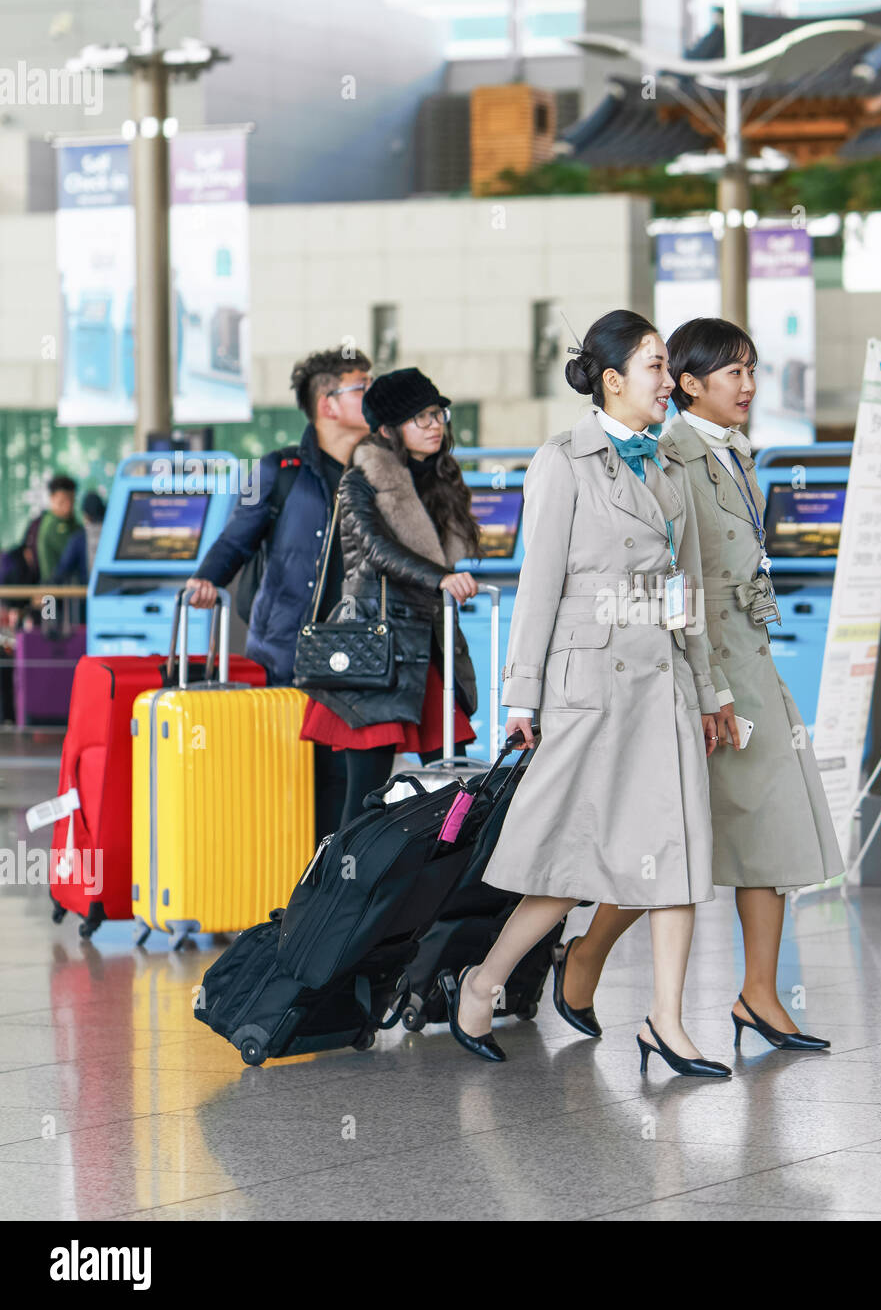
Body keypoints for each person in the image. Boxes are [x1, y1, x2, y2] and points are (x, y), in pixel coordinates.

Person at [439, 309, 732, 1078]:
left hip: (661, 683)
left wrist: (707, 691)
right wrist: (521, 696)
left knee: (677, 852)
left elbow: (687, 591)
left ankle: (666, 1020)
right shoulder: (562, 460)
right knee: (566, 861)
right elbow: (538, 587)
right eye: (656, 368)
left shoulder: (670, 468)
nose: (669, 383)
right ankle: (484, 982)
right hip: (588, 686)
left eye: (667, 368)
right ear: (612, 379)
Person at [551, 317, 844, 1052]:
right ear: (687, 382)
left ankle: (758, 994)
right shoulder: (671, 451)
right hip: (697, 670)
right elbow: (672, 581)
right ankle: (585, 954)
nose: (747, 385)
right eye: (732, 372)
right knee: (668, 836)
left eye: (752, 370)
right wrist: (706, 685)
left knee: (768, 826)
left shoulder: (732, 453)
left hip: (748, 658)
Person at [185, 346, 373, 840]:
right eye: (363, 388)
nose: (374, 397)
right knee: (285, 789)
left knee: (343, 794)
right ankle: (282, 902)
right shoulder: (278, 469)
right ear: (328, 403)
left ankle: (327, 901)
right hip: (284, 658)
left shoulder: (377, 474)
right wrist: (207, 578)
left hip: (354, 662)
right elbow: (235, 537)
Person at [298, 367, 481, 826]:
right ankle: (343, 888)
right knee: (366, 797)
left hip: (427, 648)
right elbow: (377, 550)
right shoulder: (359, 480)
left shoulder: (441, 481)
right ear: (388, 429)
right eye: (421, 418)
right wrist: (439, 577)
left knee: (458, 783)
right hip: (375, 651)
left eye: (438, 413)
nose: (435, 424)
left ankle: (448, 886)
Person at [53, 491, 106, 584]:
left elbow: (63, 570)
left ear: (85, 515)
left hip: (86, 593)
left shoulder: (79, 538)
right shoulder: (114, 535)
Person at [36, 475, 80, 583]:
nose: (68, 506)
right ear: (52, 499)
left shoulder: (71, 522)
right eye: (62, 502)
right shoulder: (53, 525)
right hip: (55, 588)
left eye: (71, 500)